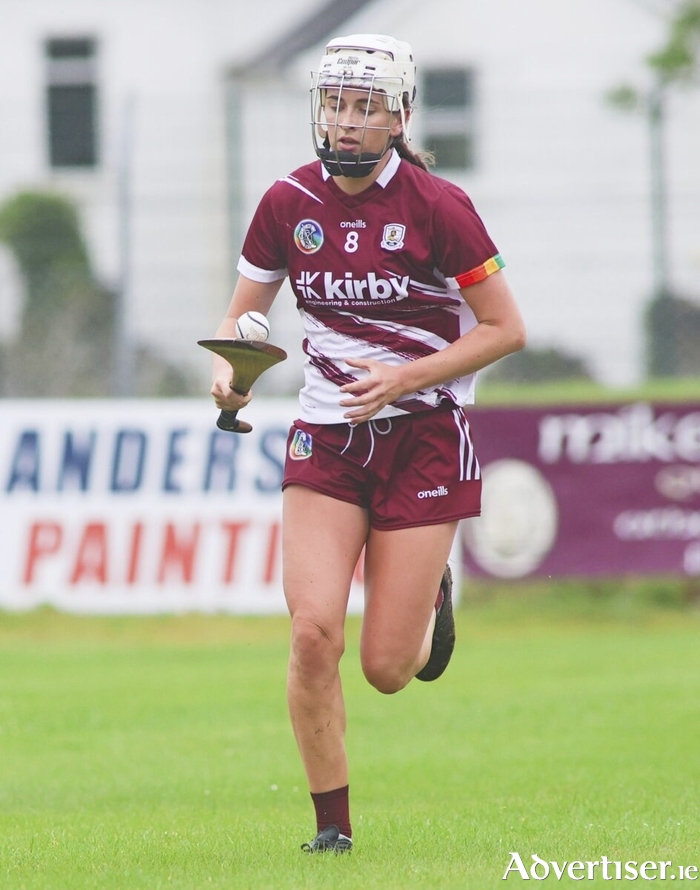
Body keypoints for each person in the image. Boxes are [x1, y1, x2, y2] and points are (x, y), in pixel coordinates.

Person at [210, 33, 526, 853]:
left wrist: (405, 379)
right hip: (327, 438)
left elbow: (505, 330)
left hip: (423, 438)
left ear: (399, 117)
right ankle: (331, 832)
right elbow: (245, 315)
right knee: (313, 632)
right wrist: (233, 370)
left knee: (388, 669)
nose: (347, 122)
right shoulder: (287, 202)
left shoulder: (438, 205)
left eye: (367, 107)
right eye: (337, 103)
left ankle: (431, 602)